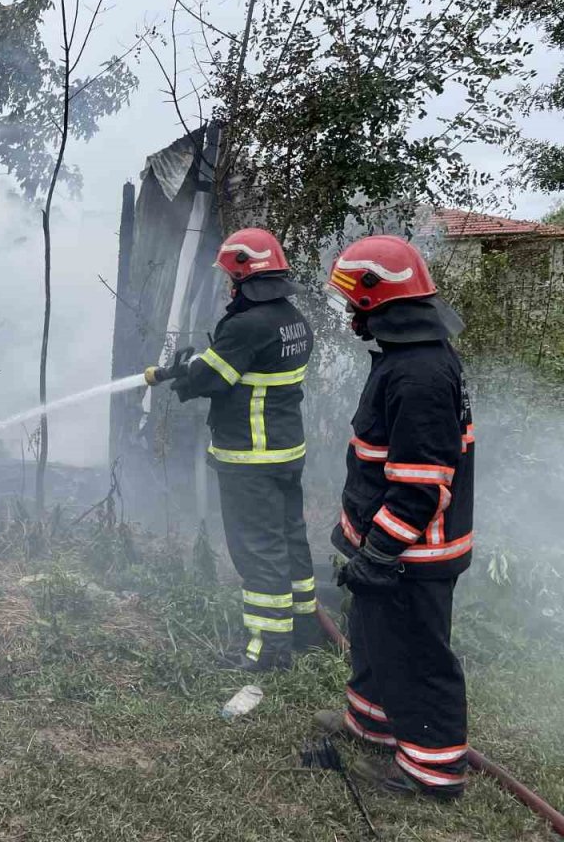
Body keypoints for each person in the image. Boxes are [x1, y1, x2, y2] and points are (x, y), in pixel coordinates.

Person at [317, 234, 474, 800]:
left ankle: (433, 770)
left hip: (413, 552)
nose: (348, 314)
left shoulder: (419, 375)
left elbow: (420, 485)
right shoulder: (406, 358)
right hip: (389, 546)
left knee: (416, 655)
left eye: (351, 301)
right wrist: (361, 542)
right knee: (373, 639)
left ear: (375, 298)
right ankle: (372, 722)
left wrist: (381, 553)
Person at [151, 227, 317, 671]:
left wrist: (185, 374)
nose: (228, 284)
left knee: (257, 550)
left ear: (243, 276)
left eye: (230, 276)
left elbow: (213, 377)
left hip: (251, 458)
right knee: (289, 538)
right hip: (286, 452)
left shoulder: (246, 324)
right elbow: (239, 365)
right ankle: (303, 630)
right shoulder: (292, 319)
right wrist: (192, 366)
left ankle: (267, 649)